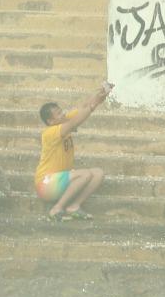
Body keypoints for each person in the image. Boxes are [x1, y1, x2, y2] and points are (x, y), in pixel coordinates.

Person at [35, 85, 111, 221]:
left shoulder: (64, 121)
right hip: (45, 184)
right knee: (85, 174)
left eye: (61, 111)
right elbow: (78, 119)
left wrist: (99, 96)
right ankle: (56, 209)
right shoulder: (50, 133)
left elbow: (84, 107)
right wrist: (93, 106)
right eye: (58, 114)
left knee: (98, 173)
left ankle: (74, 206)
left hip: (62, 182)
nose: (63, 114)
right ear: (50, 121)